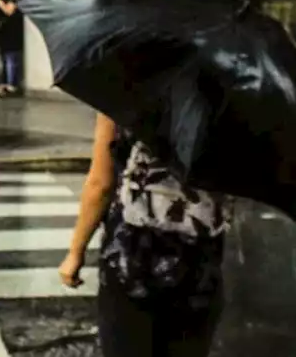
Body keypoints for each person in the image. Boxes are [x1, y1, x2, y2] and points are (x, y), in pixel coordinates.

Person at [60, 114, 230, 357]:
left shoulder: (125, 92)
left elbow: (101, 184)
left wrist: (75, 252)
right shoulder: (227, 100)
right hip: (199, 259)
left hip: (134, 256)